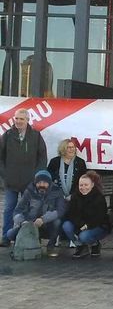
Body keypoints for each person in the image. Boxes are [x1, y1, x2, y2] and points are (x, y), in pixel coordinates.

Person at [0, 108, 47, 246]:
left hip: (30, 183)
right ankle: (6, 237)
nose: (19, 121)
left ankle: (30, 237)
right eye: (17, 118)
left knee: (31, 210)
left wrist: (36, 176)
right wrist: (5, 175)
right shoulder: (7, 135)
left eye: (22, 119)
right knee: (9, 208)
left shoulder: (36, 136)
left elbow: (42, 158)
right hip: (11, 182)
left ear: (27, 120)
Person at [7, 170, 65, 257]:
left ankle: (50, 247)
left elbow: (60, 211)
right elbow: (17, 211)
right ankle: (22, 246)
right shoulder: (29, 191)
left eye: (45, 182)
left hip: (47, 225)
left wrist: (43, 219)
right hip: (29, 224)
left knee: (57, 222)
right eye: (39, 182)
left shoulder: (57, 192)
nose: (41, 185)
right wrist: (22, 222)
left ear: (49, 182)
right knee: (10, 234)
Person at [62, 171, 111, 259]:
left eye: (86, 185)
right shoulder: (74, 196)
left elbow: (100, 217)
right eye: (81, 185)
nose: (83, 187)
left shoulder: (99, 197)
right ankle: (80, 246)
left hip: (97, 226)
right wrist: (80, 224)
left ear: (92, 185)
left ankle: (95, 244)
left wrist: (87, 225)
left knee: (84, 236)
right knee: (66, 226)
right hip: (80, 224)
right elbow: (71, 214)